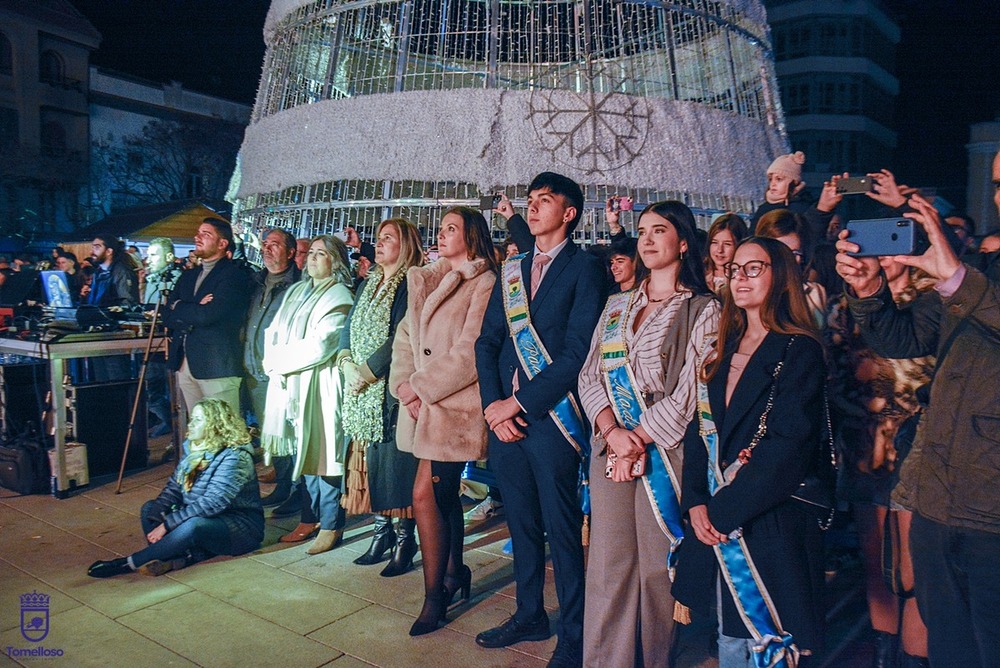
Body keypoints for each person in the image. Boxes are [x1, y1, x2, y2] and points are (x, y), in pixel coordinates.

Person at [834, 171, 1000, 666]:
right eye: (995, 182)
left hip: (992, 513)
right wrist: (869, 291)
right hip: (939, 497)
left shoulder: (967, 276)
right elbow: (905, 338)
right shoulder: (982, 267)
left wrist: (956, 279)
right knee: (950, 644)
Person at [577, 201, 720, 667]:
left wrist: (636, 437)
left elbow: (690, 392)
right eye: (642, 231)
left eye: (660, 231)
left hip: (666, 451)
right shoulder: (617, 305)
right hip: (611, 445)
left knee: (656, 570)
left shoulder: (704, 310)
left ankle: (653, 659)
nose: (648, 239)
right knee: (608, 565)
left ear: (683, 242)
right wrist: (612, 432)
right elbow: (589, 376)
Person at [673, 237, 827, 667]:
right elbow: (697, 431)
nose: (739, 278)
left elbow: (787, 448)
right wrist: (696, 503)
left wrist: (719, 513)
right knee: (729, 636)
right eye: (735, 269)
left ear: (781, 276)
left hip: (767, 518)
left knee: (767, 641)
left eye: (753, 268)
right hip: (717, 516)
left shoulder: (800, 350)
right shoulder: (721, 348)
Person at [474, 172, 607, 667]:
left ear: (568, 213)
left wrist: (519, 403)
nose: (531, 209)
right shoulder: (513, 270)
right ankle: (529, 612)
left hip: (551, 419)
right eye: (529, 201)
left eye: (543, 201)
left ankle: (574, 634)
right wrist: (494, 407)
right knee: (522, 522)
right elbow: (488, 342)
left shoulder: (585, 269)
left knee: (562, 528)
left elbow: (577, 353)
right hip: (504, 420)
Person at [388, 207, 497, 635]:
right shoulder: (427, 278)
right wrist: (405, 387)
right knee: (442, 495)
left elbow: (471, 350)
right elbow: (404, 338)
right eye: (442, 227)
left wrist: (423, 388)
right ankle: (455, 574)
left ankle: (435, 596)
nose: (443, 233)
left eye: (452, 228)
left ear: (471, 237)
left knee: (425, 496)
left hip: (454, 408)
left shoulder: (484, 282)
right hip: (422, 404)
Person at [825, 255, 933, 668]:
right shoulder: (844, 305)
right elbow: (833, 376)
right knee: (876, 563)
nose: (881, 255)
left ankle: (913, 657)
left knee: (913, 568)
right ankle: (885, 653)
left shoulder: (928, 297)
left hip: (920, 445)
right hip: (864, 445)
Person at [86, 398, 264, 578]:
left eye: (198, 420)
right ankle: (182, 556)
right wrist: (160, 513)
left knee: (193, 526)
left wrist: (167, 524)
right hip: (199, 515)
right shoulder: (194, 450)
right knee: (150, 509)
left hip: (238, 527)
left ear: (215, 426)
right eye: (192, 418)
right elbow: (174, 487)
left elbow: (213, 503)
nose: (191, 424)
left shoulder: (235, 456)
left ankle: (129, 563)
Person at [338, 218, 423, 575]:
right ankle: (381, 531)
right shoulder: (369, 283)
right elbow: (348, 328)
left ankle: (405, 538)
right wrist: (345, 363)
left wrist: (367, 372)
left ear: (405, 245)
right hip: (361, 392)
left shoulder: (411, 282)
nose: (381, 243)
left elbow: (402, 336)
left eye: (389, 238)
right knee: (370, 465)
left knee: (394, 468)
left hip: (388, 391)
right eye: (379, 237)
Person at [260, 235, 354, 555]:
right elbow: (273, 332)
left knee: (324, 456)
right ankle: (313, 517)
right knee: (305, 456)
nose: (312, 258)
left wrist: (280, 361)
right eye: (310, 253)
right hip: (293, 384)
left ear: (335, 261)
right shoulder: (298, 290)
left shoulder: (339, 294)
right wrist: (271, 361)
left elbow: (322, 343)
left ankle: (331, 524)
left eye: (321, 254)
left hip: (321, 384)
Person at [163, 218, 253, 415]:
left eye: (206, 234)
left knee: (227, 432)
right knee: (199, 431)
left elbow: (208, 315)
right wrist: (193, 307)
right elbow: (166, 315)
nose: (197, 237)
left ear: (222, 244)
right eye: (198, 233)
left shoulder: (233, 276)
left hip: (216, 366)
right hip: (186, 363)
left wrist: (180, 306)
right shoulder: (188, 276)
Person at [243, 228, 301, 510]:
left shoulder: (297, 285)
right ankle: (282, 486)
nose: (267, 249)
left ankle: (296, 492)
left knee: (289, 435)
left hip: (280, 375)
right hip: (254, 372)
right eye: (265, 244)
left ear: (290, 253)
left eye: (275, 245)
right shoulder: (256, 283)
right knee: (271, 434)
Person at [749, 152, 843, 253]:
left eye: (779, 179)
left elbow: (810, 236)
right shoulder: (763, 208)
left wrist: (823, 208)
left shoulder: (801, 207)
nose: (773, 184)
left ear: (794, 182)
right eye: (771, 179)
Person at [82, 234, 140, 381]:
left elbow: (128, 303)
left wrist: (111, 312)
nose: (92, 251)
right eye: (92, 247)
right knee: (101, 381)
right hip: (97, 335)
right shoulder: (98, 273)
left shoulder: (121, 271)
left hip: (114, 336)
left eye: (97, 247)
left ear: (109, 251)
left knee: (116, 379)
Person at [756, 209, 828, 325]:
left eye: (794, 253)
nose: (786, 260)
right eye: (778, 252)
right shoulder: (746, 291)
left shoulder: (814, 293)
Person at [705, 213, 749, 295]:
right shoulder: (699, 273)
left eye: (727, 244)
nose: (719, 250)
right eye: (714, 242)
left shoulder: (744, 277)